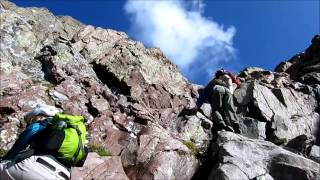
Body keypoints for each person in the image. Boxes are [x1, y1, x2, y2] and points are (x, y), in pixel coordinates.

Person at [0, 104, 86, 180]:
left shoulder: (39, 125)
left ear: (39, 116)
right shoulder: (75, 139)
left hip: (34, 168)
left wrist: (5, 161)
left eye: (31, 119)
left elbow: (16, 150)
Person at [196, 69, 241, 133]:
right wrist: (238, 83)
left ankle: (221, 123)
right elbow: (235, 81)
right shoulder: (226, 79)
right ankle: (235, 124)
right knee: (230, 108)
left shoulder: (212, 81)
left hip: (218, 89)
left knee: (215, 109)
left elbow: (203, 95)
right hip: (228, 91)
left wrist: (197, 106)